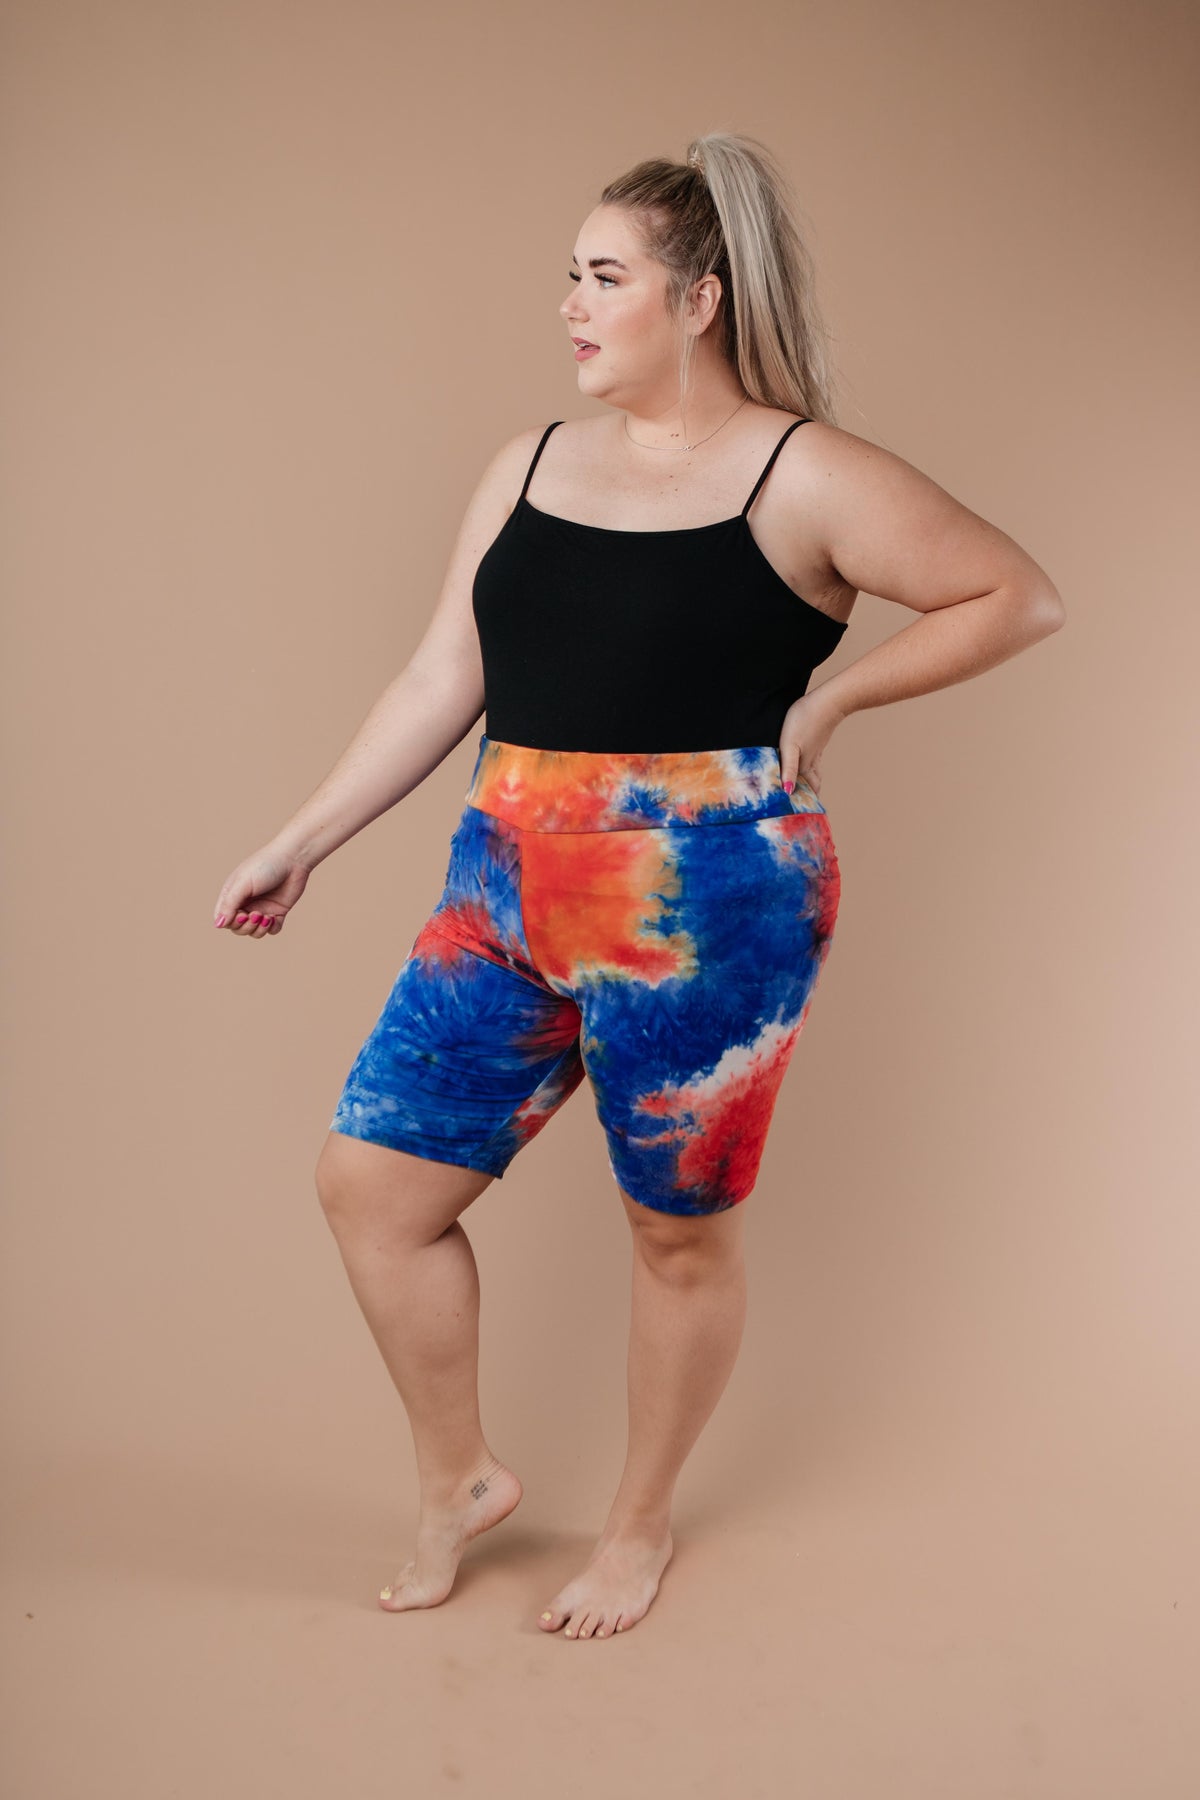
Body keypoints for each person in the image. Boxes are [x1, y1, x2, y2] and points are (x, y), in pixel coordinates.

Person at [211, 131, 1065, 1641]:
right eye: (572, 275)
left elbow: (1017, 592)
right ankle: (460, 1476)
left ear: (699, 299)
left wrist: (830, 702)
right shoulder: (531, 463)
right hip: (507, 878)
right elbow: (444, 676)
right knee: (374, 1187)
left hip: (713, 899)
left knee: (676, 1234)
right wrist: (303, 836)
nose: (571, 304)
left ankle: (639, 1525)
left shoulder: (806, 473)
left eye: (604, 276)